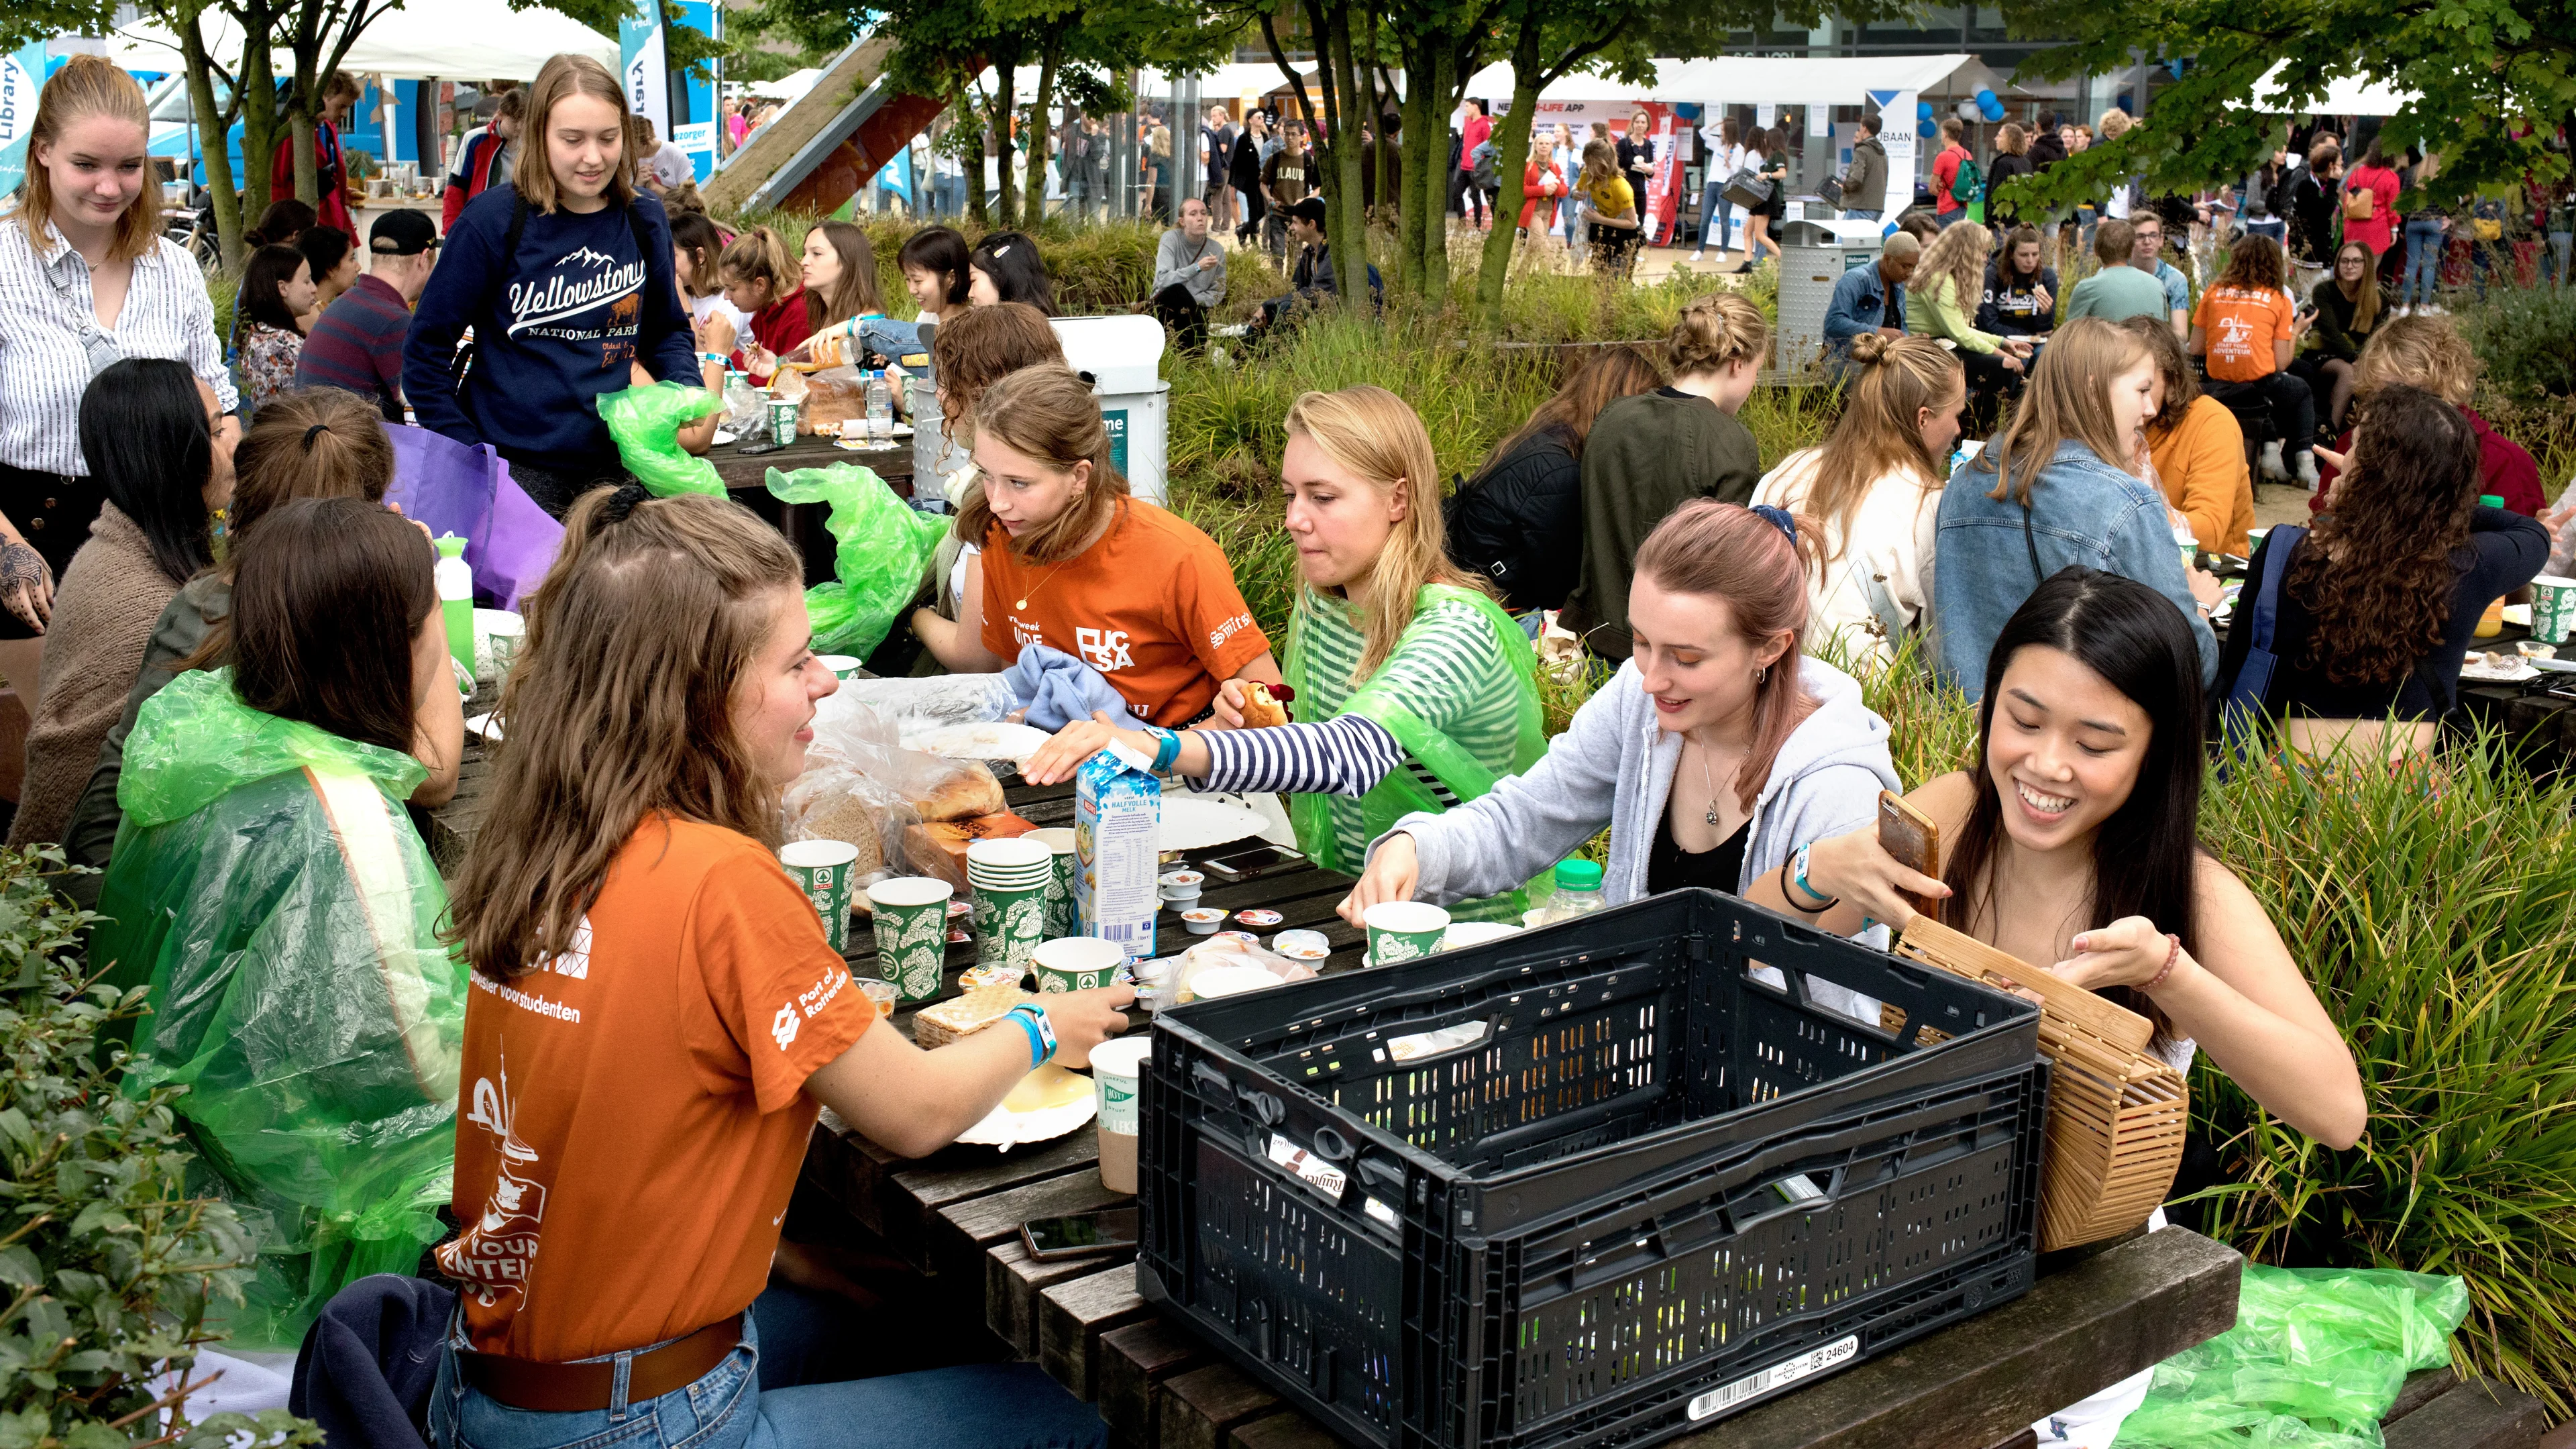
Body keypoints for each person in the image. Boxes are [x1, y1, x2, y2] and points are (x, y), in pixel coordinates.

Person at [432, 486, 1122, 1449]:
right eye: (798, 662)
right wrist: (1049, 1019)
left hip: (498, 1383)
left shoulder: (544, 843)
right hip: (641, 1420)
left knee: (913, 1310)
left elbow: (606, 1130)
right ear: (697, 696)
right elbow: (916, 1112)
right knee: (1085, 1408)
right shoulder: (722, 883)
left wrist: (785, 1258)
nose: (828, 684)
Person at [1790, 564, 2366, 1136]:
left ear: (2155, 756)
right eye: (2025, 721)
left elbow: (2339, 1115)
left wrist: (2168, 975)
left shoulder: (2193, 891)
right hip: (1910, 1189)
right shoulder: (1954, 813)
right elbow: (1758, 948)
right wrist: (1817, 875)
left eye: (2093, 745)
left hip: (2090, 1225)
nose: (2046, 766)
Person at [92, 497, 468, 1352]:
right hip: (281, 1285)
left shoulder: (211, 726)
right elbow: (436, 1089)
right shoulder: (342, 816)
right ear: (390, 648)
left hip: (166, 1210)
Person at [1022, 386, 1544, 916]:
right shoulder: (1326, 607)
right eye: (1290, 495)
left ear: (1399, 501)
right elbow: (1298, 750)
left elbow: (1345, 755)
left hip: (1453, 929)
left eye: (1323, 497)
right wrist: (1241, 728)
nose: (1295, 518)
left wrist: (1151, 746)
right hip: (1344, 900)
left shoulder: (1455, 629)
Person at [1339, 500, 1901, 955]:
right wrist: (1417, 848)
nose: (1652, 678)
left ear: (1771, 648)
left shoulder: (1836, 783)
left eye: (1685, 657)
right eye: (1640, 641)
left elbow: (1804, 974)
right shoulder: (1640, 697)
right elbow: (1526, 819)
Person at [62, 388, 449, 888]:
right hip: (161, 909)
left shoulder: (202, 598)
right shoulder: (311, 614)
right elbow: (433, 774)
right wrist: (420, 588)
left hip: (102, 885)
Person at [0, 55, 236, 718]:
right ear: (42, 151)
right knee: (73, 751)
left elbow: (218, 403)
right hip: (31, 536)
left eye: (129, 166)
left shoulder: (175, 272)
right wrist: (9, 551)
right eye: (87, 164)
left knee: (168, 747)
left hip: (165, 537)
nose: (110, 186)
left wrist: (230, 506)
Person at [403, 52, 699, 518]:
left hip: (620, 468)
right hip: (515, 472)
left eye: (608, 138)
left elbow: (666, 330)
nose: (593, 157)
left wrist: (684, 390)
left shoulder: (644, 218)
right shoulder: (492, 221)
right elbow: (424, 356)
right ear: (539, 135)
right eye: (572, 139)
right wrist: (472, 456)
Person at [918, 364, 1283, 725]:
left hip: (1178, 757)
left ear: (1079, 477)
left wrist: (1161, 753)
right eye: (986, 475)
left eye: (1019, 482)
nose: (998, 502)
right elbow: (1015, 668)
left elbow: (1269, 700)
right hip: (1064, 751)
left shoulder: (1178, 558)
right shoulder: (1002, 536)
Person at [2223, 386, 2548, 764]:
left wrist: (2381, 499)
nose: (2343, 460)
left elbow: (2234, 672)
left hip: (2286, 787)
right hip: (2403, 801)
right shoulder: (2467, 565)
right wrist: (2428, 500)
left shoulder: (2284, 552)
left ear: (2374, 474)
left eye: (2355, 451)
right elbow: (2532, 533)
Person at [1933, 316, 2220, 696]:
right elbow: (2189, 666)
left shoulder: (1966, 481)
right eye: (2142, 390)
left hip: (1957, 734)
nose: (2151, 408)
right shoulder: (2125, 504)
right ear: (2093, 390)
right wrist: (2199, 603)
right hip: (2070, 740)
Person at [7, 360, 230, 848]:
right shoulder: (151, 611)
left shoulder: (117, 548)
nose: (231, 448)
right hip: (87, 893)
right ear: (175, 453)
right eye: (215, 434)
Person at [1560, 294, 1770, 658]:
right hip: (1675, 652)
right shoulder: (1728, 440)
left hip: (1595, 637)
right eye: (1757, 370)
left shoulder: (1613, 416)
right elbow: (1728, 571)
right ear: (1737, 364)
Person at [1752, 333, 1961, 663]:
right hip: (1867, 705)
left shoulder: (1788, 469)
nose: (1959, 430)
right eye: (1956, 415)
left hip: (1767, 679)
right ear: (1923, 419)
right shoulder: (1930, 504)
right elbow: (1944, 644)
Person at [1445, 346, 1664, 620]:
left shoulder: (1551, 434)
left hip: (1471, 582)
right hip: (1486, 609)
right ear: (1621, 406)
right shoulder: (1560, 472)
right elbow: (1560, 587)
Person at [905, 304, 1067, 666]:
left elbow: (977, 656)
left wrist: (915, 616)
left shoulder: (999, 499)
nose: (941, 396)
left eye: (949, 382)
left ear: (987, 392)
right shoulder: (1053, 469)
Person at [2310, 315, 2542, 517]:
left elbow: (2514, 555)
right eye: (2386, 397)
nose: (2400, 410)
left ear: (2449, 391)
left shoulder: (2501, 461)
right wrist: (2337, 514)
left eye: (2416, 396)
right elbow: (2319, 537)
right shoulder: (2353, 447)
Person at [2189, 233, 2318, 486]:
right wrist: (2295, 331)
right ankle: (2305, 463)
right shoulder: (2277, 299)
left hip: (2216, 385)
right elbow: (2282, 363)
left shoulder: (2213, 292)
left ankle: (2270, 452)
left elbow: (2196, 347)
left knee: (2262, 386)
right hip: (2260, 386)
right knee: (2300, 390)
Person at [296, 209, 439, 423]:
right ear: (424, 258)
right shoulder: (393, 321)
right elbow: (425, 409)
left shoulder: (347, 303)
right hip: (347, 450)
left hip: (315, 444)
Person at [2130, 316, 2253, 559]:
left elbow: (2207, 532)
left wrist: (2121, 516)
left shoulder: (2211, 421)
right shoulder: (2110, 422)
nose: (2127, 389)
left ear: (2171, 379)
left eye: (2143, 384)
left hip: (2214, 570)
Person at [1909, 221, 2032, 432]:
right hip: (1927, 348)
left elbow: (1961, 331)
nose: (1986, 258)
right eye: (1982, 253)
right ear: (1967, 253)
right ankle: (1974, 431)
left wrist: (2003, 342)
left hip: (1942, 344)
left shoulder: (1945, 276)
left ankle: (1980, 428)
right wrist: (2002, 354)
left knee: (2011, 362)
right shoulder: (1939, 280)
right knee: (2004, 367)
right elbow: (1959, 334)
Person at [1250, 197, 1381, 339]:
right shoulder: (1310, 253)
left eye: (1295, 223)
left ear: (1311, 224)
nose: (1291, 227)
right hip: (1321, 312)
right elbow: (1297, 291)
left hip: (1345, 320)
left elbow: (1315, 293)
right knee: (1268, 316)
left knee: (1286, 309)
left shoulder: (1335, 254)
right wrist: (1269, 310)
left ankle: (1288, 357)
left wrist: (1268, 304)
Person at [2298, 240, 2382, 437]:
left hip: (2360, 357)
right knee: (2348, 372)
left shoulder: (2378, 298)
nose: (2349, 266)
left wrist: (2363, 359)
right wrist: (2354, 358)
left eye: (2356, 261)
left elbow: (2377, 338)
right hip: (2324, 354)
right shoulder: (2324, 290)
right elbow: (2330, 332)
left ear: (2367, 265)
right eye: (2344, 261)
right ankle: (2330, 434)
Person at [270, 71, 360, 235]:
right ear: (323, 96)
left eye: (348, 107)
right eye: (342, 106)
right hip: (307, 224)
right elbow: (277, 183)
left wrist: (339, 191)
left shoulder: (329, 127)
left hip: (331, 220)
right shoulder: (293, 131)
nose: (345, 114)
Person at [1821, 231, 1920, 380]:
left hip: (1882, 362)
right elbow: (1833, 323)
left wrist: (1910, 340)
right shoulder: (1856, 280)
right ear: (1887, 259)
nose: (1909, 273)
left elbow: (1900, 328)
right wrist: (1877, 332)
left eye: (1913, 267)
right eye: (1905, 266)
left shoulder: (1897, 284)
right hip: (1849, 363)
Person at [714, 225, 808, 374]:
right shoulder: (765, 308)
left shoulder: (798, 313)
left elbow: (789, 384)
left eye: (732, 289)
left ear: (760, 285)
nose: (726, 296)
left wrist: (725, 350)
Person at [236, 244, 317, 411]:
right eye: (307, 281)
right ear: (283, 288)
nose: (314, 289)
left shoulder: (253, 334)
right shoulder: (286, 344)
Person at [1150, 197, 1226, 353]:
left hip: (1196, 310)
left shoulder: (1216, 249)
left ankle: (1198, 353)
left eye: (1204, 213)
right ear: (1182, 221)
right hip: (1165, 306)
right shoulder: (1171, 239)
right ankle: (1205, 348)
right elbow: (1163, 281)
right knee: (1177, 290)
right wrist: (1197, 268)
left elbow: (1218, 292)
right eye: (1193, 214)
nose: (1200, 218)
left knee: (1185, 300)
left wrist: (1192, 302)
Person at [443, 86, 525, 231]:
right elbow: (456, 187)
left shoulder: (531, 143)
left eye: (523, 122)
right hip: (481, 221)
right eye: (514, 121)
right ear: (500, 115)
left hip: (517, 222)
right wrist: (451, 229)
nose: (519, 127)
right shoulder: (475, 139)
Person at [668, 210, 748, 354]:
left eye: (673, 255)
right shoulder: (689, 294)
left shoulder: (731, 299)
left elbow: (709, 358)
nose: (667, 263)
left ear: (700, 256)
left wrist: (683, 302)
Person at [2062, 219, 2170, 325]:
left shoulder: (2087, 288)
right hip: (2150, 343)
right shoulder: (2157, 285)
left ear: (2095, 250)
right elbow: (2164, 332)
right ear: (2131, 251)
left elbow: (2070, 335)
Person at [1977, 225, 2057, 343]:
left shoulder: (2047, 276)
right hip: (2001, 340)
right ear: (2011, 254)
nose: (2030, 261)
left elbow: (2044, 331)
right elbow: (1988, 324)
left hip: (2035, 341)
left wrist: (2046, 313)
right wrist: (2024, 337)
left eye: (2035, 254)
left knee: (2043, 356)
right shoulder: (1992, 274)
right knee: (2021, 359)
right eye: (2024, 255)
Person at [1576, 140, 1643, 276]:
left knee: (1616, 279)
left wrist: (1600, 219)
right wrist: (1574, 193)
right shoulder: (1587, 173)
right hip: (1603, 230)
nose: (1588, 168)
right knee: (1600, 276)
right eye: (1586, 164)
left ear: (1604, 163)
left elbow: (1632, 223)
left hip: (1625, 234)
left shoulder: (1620, 186)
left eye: (1592, 165)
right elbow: (1576, 187)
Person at [2396, 152, 2449, 315]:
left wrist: (2404, 223)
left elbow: (2403, 199)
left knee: (2411, 264)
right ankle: (2424, 306)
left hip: (2414, 222)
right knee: (2429, 265)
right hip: (2434, 222)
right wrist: (2447, 217)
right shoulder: (2443, 174)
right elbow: (2448, 200)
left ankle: (2405, 305)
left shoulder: (2413, 171)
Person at [2341, 137, 2403, 261]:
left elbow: (2348, 197)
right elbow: (2393, 207)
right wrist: (2394, 229)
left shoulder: (2356, 172)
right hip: (2376, 228)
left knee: (2353, 269)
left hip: (2353, 226)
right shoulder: (2391, 177)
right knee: (2370, 270)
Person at [2129, 214, 2191, 335]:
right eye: (2140, 236)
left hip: (2159, 346)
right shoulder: (2115, 273)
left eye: (2153, 235)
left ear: (2161, 240)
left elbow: (2181, 333)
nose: (2147, 242)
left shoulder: (2175, 279)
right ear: (2129, 240)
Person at [2287, 140, 2345, 267]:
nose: (2342, 168)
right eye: (2340, 164)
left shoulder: (2325, 185)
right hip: (2310, 253)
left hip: (2326, 253)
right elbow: (2324, 211)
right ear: (2331, 166)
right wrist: (2333, 183)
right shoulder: (2307, 185)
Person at [967, 231, 1055, 313]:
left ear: (1001, 276)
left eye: (973, 280)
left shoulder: (993, 328)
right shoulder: (1056, 326)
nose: (969, 294)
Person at [1263, 122, 1313, 260]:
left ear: (1302, 137)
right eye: (1287, 134)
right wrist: (1268, 197)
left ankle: (1292, 281)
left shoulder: (1308, 160)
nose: (1289, 138)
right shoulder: (1275, 159)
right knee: (1277, 254)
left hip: (1298, 214)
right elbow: (1263, 183)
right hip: (1278, 212)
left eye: (1294, 134)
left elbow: (1318, 188)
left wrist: (1305, 200)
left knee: (1295, 256)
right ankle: (1277, 281)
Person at [295, 225, 360, 329]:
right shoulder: (316, 319)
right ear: (330, 269)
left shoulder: (311, 310)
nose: (358, 267)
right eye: (351, 259)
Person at [1742, 127, 1788, 266]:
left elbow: (1782, 173)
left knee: (1760, 235)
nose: (1764, 140)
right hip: (1761, 197)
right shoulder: (1771, 156)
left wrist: (1767, 175)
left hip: (1768, 197)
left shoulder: (1778, 155)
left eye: (1766, 138)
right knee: (1747, 231)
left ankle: (1785, 259)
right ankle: (1747, 262)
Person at [1837, 111, 1888, 223]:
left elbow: (1856, 179)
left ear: (1864, 129)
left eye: (1860, 126)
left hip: (1860, 207)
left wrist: (1845, 186)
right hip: (1877, 207)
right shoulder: (1882, 153)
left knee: (1844, 241)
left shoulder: (1862, 150)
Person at [1984, 123, 2033, 232]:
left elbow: (1996, 195)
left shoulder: (2003, 163)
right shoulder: (2026, 162)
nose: (1996, 139)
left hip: (2003, 223)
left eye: (2000, 136)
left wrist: (1990, 222)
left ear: (2009, 140)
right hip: (2020, 220)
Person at [1229, 111, 1269, 246]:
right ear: (1251, 120)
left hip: (1263, 179)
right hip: (1249, 179)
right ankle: (1253, 240)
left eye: (1263, 117)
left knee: (1263, 209)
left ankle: (1243, 230)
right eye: (1259, 117)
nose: (1262, 119)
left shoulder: (1265, 137)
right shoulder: (1244, 138)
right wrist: (1235, 181)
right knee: (1253, 208)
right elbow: (1237, 160)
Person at [1517, 140, 1566, 239]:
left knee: (1534, 245)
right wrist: (1543, 190)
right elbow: (1522, 190)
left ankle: (1525, 256)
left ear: (1551, 147)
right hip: (1533, 210)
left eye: (1547, 143)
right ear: (1535, 147)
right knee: (1542, 242)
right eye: (1541, 143)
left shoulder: (1555, 166)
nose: (1544, 146)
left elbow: (1564, 191)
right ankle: (1551, 256)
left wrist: (1557, 187)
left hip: (1548, 211)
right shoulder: (1527, 165)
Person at [1931, 117, 1974, 228]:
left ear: (1945, 134)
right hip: (1963, 206)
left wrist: (1940, 188)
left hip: (1947, 207)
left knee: (1946, 243)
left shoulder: (1943, 157)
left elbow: (1932, 189)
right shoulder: (1967, 155)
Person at [635, 115, 692, 195]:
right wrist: (636, 186)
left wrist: (654, 187)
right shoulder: (621, 159)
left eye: (632, 147)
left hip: (672, 207)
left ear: (645, 141)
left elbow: (691, 197)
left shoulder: (675, 154)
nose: (626, 151)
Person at [1615, 109, 1656, 211]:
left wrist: (1650, 171)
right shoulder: (1623, 143)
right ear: (1633, 124)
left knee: (1639, 225)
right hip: (1624, 190)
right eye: (1637, 122)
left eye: (1643, 122)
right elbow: (1615, 166)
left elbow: (1650, 171)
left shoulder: (1648, 145)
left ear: (1647, 125)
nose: (1640, 125)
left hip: (1640, 191)